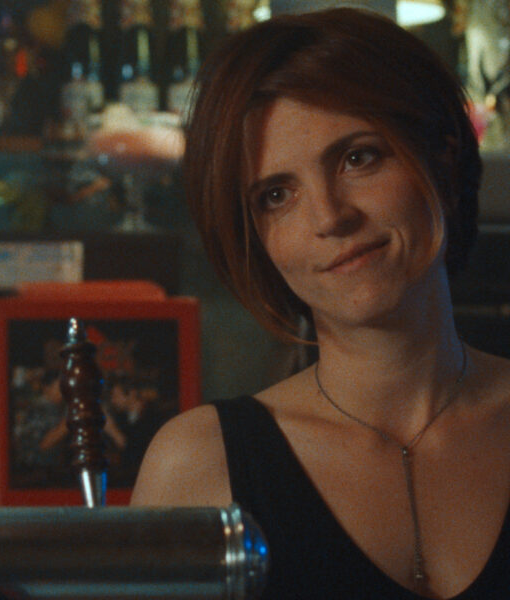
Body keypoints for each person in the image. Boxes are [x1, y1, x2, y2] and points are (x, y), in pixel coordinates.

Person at [131, 7, 510, 599]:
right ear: (253, 237)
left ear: (443, 156)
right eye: (276, 195)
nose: (330, 216)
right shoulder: (199, 466)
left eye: (358, 158)